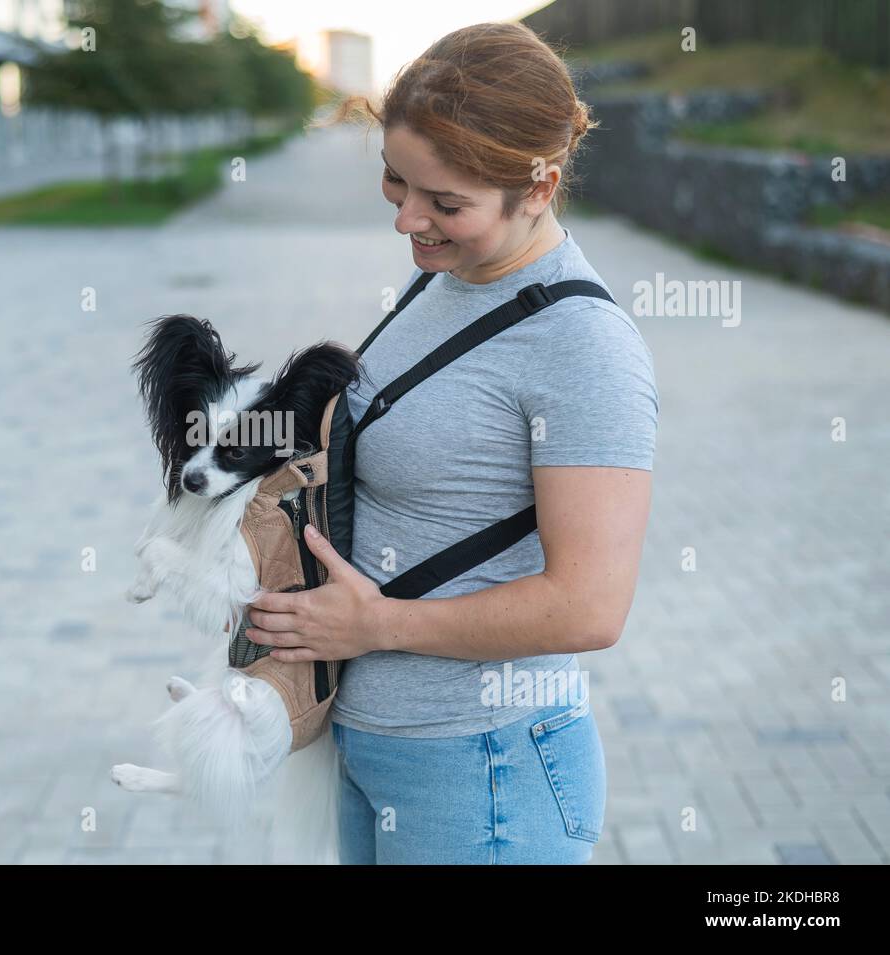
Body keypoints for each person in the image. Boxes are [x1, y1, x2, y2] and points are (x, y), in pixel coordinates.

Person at [243, 22, 659, 864]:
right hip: (376, 745)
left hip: (486, 768)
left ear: (537, 187)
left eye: (444, 202)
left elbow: (590, 605)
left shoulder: (585, 346)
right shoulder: (445, 276)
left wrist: (379, 624)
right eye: (395, 183)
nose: (407, 220)